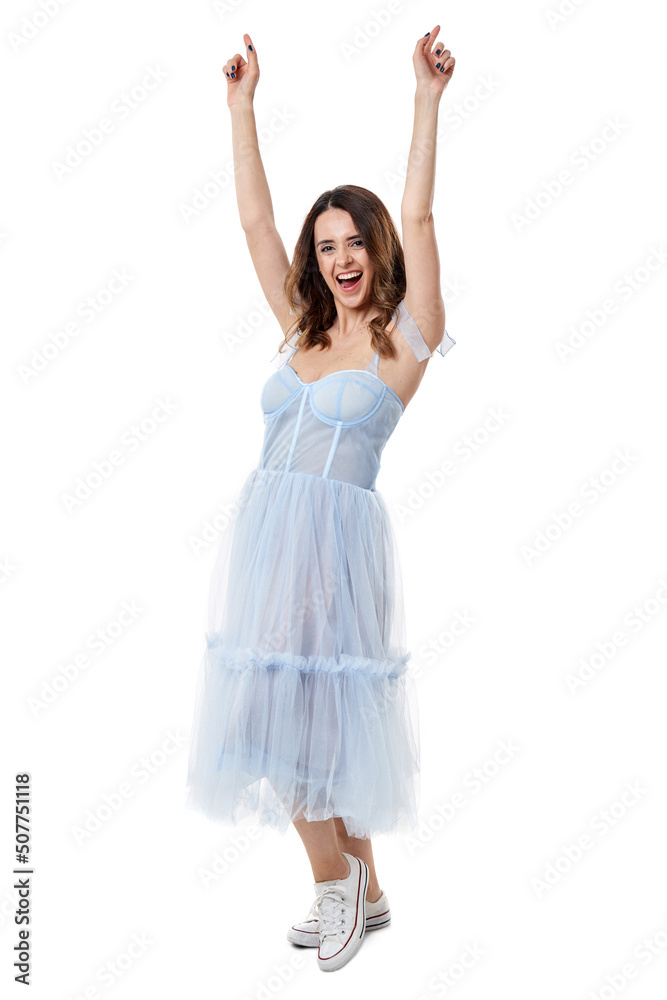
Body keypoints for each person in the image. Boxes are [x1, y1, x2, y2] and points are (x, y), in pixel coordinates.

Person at [186, 26, 457, 973]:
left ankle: (331, 883)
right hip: (268, 541)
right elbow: (258, 227)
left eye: (355, 244)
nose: (339, 259)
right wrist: (241, 111)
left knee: (296, 722)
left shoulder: (400, 344)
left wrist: (425, 102)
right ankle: (369, 893)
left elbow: (419, 220)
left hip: (331, 556)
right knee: (299, 718)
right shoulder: (299, 326)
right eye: (326, 245)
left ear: (376, 252)